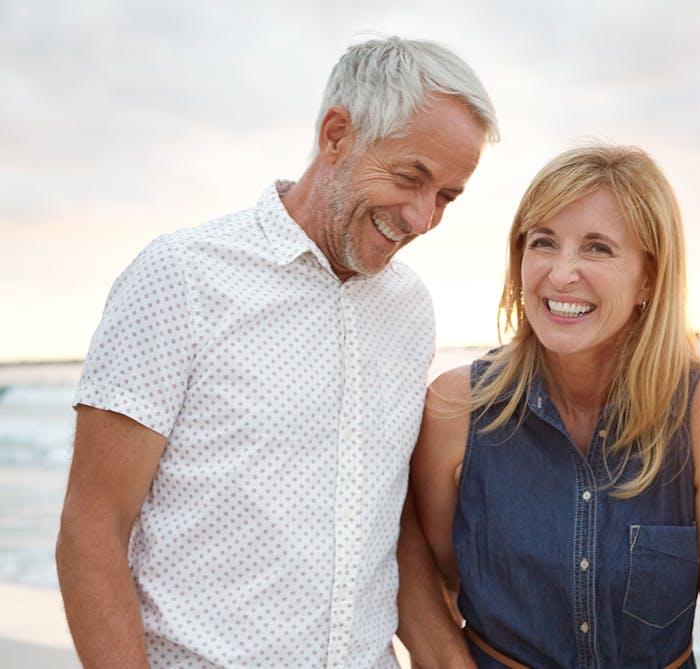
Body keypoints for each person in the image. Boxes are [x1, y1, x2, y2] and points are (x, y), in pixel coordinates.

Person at [55, 36, 499, 669]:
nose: (423, 218)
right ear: (336, 134)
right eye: (410, 178)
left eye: (447, 197)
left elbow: (386, 521)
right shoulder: (182, 276)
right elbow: (93, 527)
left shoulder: (410, 308)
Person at [402, 145, 700, 668]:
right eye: (543, 242)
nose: (562, 274)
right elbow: (429, 591)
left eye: (597, 249)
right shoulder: (456, 407)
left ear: (648, 278)